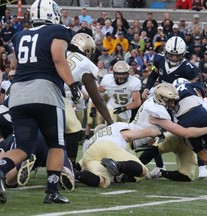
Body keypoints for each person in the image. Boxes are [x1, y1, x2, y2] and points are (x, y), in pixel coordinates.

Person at [0, 0, 84, 204]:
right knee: (56, 144)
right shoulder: (58, 30)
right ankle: (51, 191)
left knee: (23, 149)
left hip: (18, 94)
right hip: (45, 92)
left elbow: (16, 65)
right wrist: (72, 85)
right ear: (53, 14)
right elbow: (58, 58)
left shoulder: (20, 35)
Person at [66, 33, 113, 165]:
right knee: (74, 128)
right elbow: (97, 99)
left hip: (45, 91)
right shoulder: (86, 64)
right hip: (61, 98)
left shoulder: (61, 52)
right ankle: (70, 165)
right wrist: (110, 122)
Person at [75, 122, 162, 188]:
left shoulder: (94, 139)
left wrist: (73, 168)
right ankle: (118, 165)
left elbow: (80, 164)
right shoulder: (116, 128)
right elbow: (148, 131)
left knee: (103, 182)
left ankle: (74, 174)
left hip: (89, 153)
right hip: (108, 146)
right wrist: (159, 133)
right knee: (143, 171)